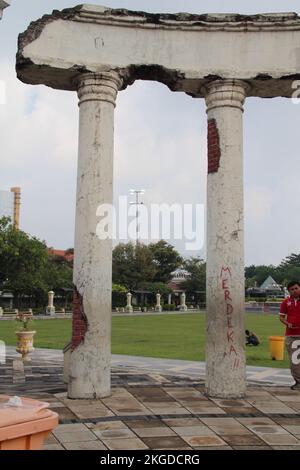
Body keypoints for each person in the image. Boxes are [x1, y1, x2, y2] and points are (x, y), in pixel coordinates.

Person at [279, 281, 300, 390]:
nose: (294, 291)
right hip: (291, 336)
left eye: (296, 288)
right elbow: (281, 317)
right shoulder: (285, 302)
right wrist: (288, 323)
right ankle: (298, 382)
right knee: (294, 361)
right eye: (292, 289)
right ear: (289, 291)